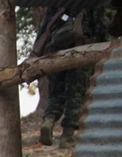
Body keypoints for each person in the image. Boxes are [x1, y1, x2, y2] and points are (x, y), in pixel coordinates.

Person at [35, 7, 108, 148]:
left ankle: (48, 120)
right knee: (76, 96)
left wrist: (38, 53)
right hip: (80, 53)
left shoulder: (56, 4)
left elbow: (44, 29)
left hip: (55, 53)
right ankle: (67, 136)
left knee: (56, 93)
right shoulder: (91, 5)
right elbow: (101, 28)